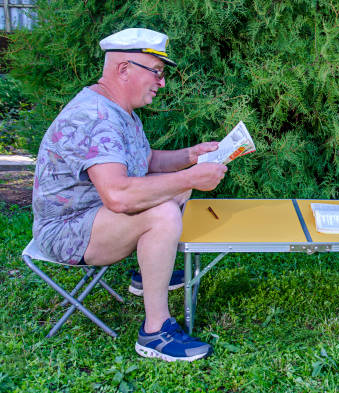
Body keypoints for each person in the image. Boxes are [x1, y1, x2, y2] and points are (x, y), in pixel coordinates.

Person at [31, 28, 227, 362]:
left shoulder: (118, 108)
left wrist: (190, 156)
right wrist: (189, 177)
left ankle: (147, 272)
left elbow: (145, 161)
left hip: (92, 216)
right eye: (157, 72)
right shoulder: (95, 117)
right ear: (124, 69)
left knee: (176, 190)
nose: (162, 83)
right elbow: (119, 195)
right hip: (65, 231)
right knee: (163, 210)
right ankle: (155, 332)